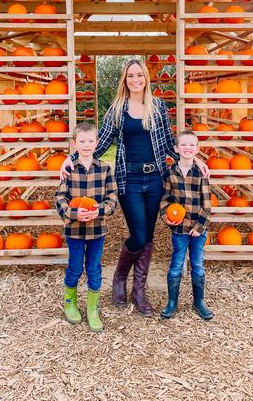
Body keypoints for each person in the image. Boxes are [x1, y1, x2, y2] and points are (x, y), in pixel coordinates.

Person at [61, 59, 209, 317]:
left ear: (146, 78)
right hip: (129, 179)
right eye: (131, 75)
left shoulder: (159, 106)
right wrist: (71, 158)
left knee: (148, 237)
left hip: (155, 179)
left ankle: (138, 290)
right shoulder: (117, 108)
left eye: (139, 75)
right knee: (138, 235)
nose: (135, 79)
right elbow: (102, 141)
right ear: (125, 79)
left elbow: (166, 143)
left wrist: (192, 158)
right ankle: (120, 277)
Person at [55, 122, 118, 332]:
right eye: (81, 141)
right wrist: (74, 213)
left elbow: (112, 199)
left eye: (90, 141)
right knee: (74, 268)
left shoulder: (105, 169)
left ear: (97, 143)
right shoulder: (68, 170)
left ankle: (93, 307)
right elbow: (60, 198)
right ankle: (70, 302)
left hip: (96, 230)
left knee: (94, 269)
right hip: (74, 230)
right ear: (74, 144)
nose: (86, 145)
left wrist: (98, 210)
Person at [159, 130, 213, 320]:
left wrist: (199, 227)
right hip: (179, 229)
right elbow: (165, 200)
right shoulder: (170, 173)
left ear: (197, 149)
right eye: (183, 145)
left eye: (192, 145)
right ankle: (172, 302)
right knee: (176, 265)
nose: (187, 148)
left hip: (198, 229)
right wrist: (166, 217)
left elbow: (207, 205)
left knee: (197, 265)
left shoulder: (201, 173)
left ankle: (199, 301)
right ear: (176, 149)